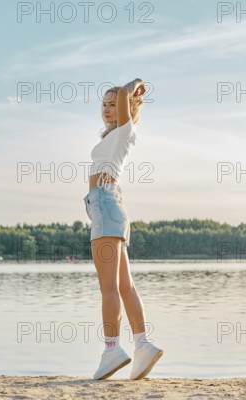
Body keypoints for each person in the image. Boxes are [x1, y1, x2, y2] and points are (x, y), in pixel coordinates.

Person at [83, 78, 164, 380]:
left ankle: (111, 349)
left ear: (127, 107)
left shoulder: (125, 132)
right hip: (110, 204)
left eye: (113, 103)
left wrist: (134, 87)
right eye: (103, 104)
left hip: (104, 204)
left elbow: (125, 91)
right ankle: (142, 346)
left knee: (109, 288)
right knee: (124, 286)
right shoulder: (116, 137)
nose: (106, 108)